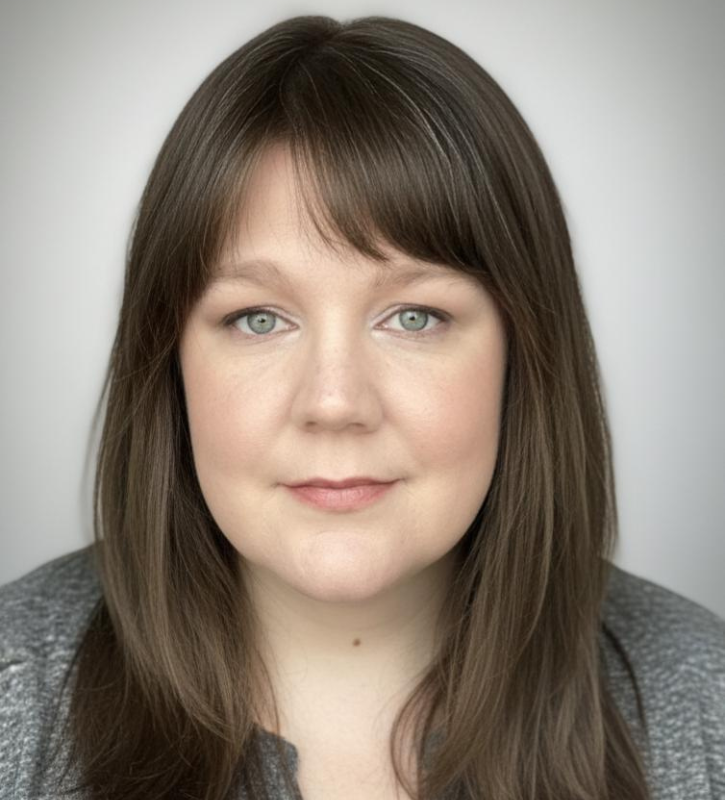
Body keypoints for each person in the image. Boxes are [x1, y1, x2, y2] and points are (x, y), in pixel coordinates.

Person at [1, 13, 723, 800]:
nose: (335, 402)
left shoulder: (700, 695)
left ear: (524, 357)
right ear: (167, 363)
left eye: (414, 316)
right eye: (257, 319)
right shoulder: (17, 687)